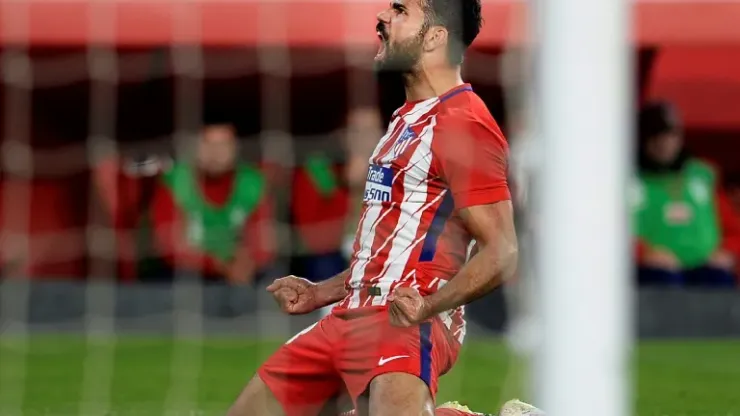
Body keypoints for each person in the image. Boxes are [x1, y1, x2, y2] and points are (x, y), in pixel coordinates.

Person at [227, 0, 519, 415]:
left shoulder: (463, 124)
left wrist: (429, 306)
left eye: (400, 10)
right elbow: (388, 252)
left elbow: (502, 251)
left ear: (436, 37)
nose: (382, 17)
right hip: (350, 313)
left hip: (406, 324)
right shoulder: (404, 119)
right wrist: (321, 291)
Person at [151, 122, 275, 284]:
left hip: (243, 272)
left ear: (235, 148)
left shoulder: (253, 182)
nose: (215, 153)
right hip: (189, 274)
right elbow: (168, 246)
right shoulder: (174, 181)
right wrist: (216, 265)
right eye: (207, 144)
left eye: (223, 145)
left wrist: (248, 262)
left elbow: (264, 243)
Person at [633, 101, 739, 287]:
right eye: (656, 135)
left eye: (671, 135)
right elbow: (602, 233)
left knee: (719, 281)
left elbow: (733, 229)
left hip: (705, 269)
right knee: (665, 283)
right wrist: (642, 253)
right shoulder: (624, 180)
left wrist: (727, 251)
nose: (664, 143)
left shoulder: (702, 177)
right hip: (653, 272)